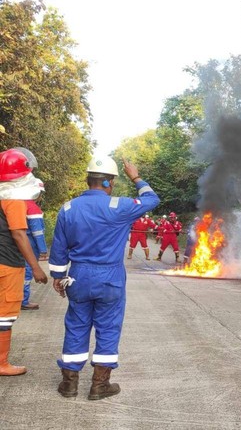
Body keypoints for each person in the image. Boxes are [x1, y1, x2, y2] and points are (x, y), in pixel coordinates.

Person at [48, 156, 159, 399]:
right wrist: (136, 177)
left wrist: (58, 276)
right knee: (108, 327)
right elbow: (152, 199)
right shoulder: (119, 207)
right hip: (110, 277)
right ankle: (99, 385)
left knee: (76, 325)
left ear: (88, 180)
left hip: (78, 275)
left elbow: (58, 248)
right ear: (109, 183)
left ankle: (69, 384)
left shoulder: (68, 208)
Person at [0, 148, 48, 376]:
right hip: (7, 263)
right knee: (5, 315)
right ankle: (1, 364)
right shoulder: (14, 199)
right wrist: (37, 267)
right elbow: (19, 234)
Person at [22, 178, 48, 310]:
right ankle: (23, 301)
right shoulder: (33, 208)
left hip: (18, 247)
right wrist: (43, 250)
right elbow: (38, 232)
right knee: (26, 273)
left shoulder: (18, 204)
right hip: (30, 248)